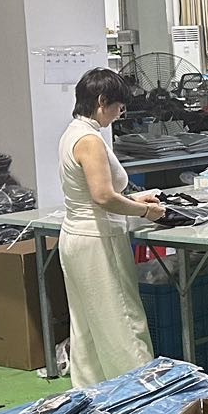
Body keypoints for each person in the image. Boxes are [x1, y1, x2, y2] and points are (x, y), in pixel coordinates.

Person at [58, 69, 165, 389]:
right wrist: (145, 211)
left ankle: (91, 395)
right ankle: (143, 394)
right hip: (98, 241)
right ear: (102, 101)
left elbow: (95, 194)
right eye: (119, 106)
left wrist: (132, 199)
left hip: (77, 236)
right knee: (123, 321)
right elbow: (103, 197)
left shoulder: (73, 133)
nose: (121, 113)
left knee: (88, 327)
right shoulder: (90, 141)